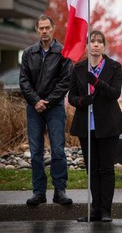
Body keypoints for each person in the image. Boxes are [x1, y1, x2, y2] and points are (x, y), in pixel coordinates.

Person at [68, 30, 122, 222]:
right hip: (86, 125)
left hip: (108, 125)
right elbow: (71, 96)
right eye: (92, 41)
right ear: (87, 45)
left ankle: (105, 210)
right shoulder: (78, 68)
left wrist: (96, 82)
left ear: (104, 46)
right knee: (92, 169)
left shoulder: (114, 66)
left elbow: (115, 93)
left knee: (106, 169)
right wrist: (81, 101)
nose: (95, 45)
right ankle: (94, 210)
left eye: (99, 42)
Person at [19, 14, 73, 206]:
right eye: (40, 28)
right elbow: (23, 81)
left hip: (55, 108)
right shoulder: (28, 53)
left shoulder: (63, 53)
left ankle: (60, 190)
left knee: (58, 150)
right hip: (34, 109)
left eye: (47, 28)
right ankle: (39, 192)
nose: (44, 31)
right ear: (37, 30)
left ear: (53, 28)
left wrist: (47, 101)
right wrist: (36, 101)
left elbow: (65, 81)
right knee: (36, 152)